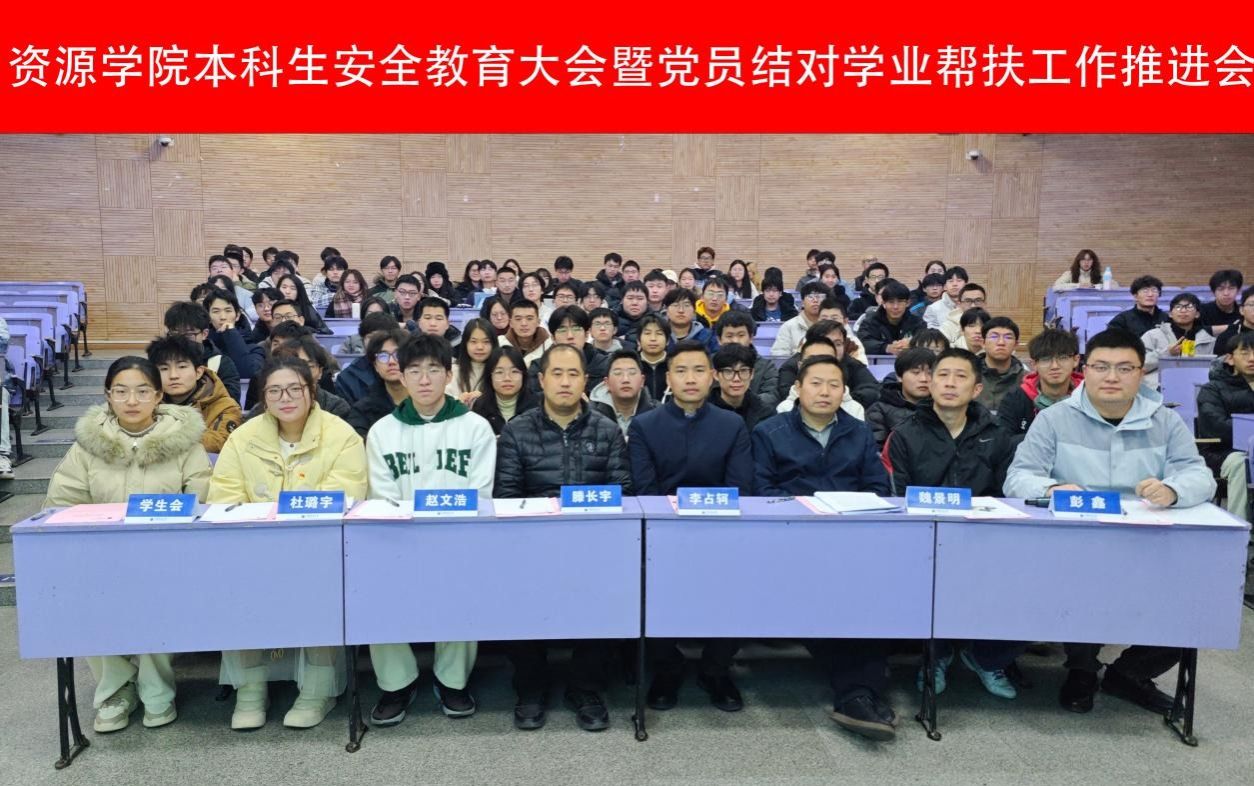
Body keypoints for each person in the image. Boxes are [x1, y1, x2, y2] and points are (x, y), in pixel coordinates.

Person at [1004, 329, 1216, 715]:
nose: (1112, 377)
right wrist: (1052, 488)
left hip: (1147, 541)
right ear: (1085, 369)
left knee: (1199, 592)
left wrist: (1172, 489)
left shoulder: (1165, 421)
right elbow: (1018, 477)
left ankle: (1130, 673)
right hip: (1076, 541)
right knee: (1084, 585)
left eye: (1125, 368)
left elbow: (1199, 475)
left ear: (1141, 372)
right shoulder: (1053, 419)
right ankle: (1082, 668)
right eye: (1101, 367)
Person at [45, 357, 211, 733]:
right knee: (82, 597)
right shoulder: (88, 446)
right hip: (100, 557)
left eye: (142, 391)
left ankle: (156, 688)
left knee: (158, 597)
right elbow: (62, 503)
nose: (131, 401)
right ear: (108, 396)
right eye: (121, 392)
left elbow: (202, 500)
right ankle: (116, 688)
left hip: (168, 556)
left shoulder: (185, 443)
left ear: (158, 396)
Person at [210, 355, 368, 730]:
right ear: (263, 397)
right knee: (237, 591)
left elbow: (347, 494)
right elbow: (224, 496)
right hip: (254, 548)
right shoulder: (243, 438)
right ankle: (250, 689)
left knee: (323, 590)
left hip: (319, 548)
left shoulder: (341, 435)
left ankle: (317, 691)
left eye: (295, 389)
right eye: (275, 391)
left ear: (311, 392)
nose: (286, 398)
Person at [750, 354, 895, 739]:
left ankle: (860, 694)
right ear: (798, 388)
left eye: (834, 384)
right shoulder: (769, 432)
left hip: (849, 543)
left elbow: (878, 487)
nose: (824, 391)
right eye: (816, 383)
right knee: (827, 600)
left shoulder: (858, 431)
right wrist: (812, 507)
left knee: (873, 600)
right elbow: (761, 491)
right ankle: (860, 694)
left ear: (844, 391)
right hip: (790, 544)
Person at [493, 344, 631, 731]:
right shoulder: (517, 430)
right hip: (532, 545)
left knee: (609, 589)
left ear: (585, 381)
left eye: (573, 374)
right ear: (541, 380)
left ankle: (584, 687)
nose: (565, 382)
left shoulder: (607, 430)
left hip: (594, 545)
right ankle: (531, 686)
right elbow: (506, 498)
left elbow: (623, 492)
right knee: (517, 592)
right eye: (557, 374)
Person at [362, 334, 495, 726]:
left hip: (459, 540)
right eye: (415, 371)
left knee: (464, 581)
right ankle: (396, 682)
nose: (424, 380)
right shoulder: (382, 431)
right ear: (401, 376)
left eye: (433, 370)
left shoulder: (475, 428)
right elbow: (382, 496)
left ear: (448, 375)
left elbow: (479, 492)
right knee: (372, 585)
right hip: (398, 540)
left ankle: (452, 681)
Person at [887, 347, 1022, 701]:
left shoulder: (997, 434)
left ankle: (986, 657)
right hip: (922, 541)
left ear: (976, 389)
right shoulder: (904, 434)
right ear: (930, 384)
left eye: (960, 377)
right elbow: (897, 497)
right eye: (942, 375)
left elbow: (1008, 494)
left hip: (985, 538)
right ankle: (937, 655)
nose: (950, 383)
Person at [629, 340, 753, 713]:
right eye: (681, 371)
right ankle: (668, 667)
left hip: (722, 534)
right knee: (646, 585)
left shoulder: (732, 425)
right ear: (668, 378)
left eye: (699, 370)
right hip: (662, 535)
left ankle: (716, 670)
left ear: (712, 376)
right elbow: (645, 491)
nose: (690, 379)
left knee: (738, 584)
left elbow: (740, 489)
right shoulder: (645, 425)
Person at [146, 336, 242, 454]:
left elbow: (219, 443)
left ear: (198, 372)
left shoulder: (225, 406)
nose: (173, 375)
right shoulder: (147, 404)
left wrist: (161, 439)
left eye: (182, 367)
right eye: (164, 368)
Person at [1197, 331, 1254, 518]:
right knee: (1243, 463)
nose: (1252, 358)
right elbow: (1216, 426)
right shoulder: (1212, 389)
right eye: (1245, 353)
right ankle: (1240, 525)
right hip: (1223, 452)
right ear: (1230, 359)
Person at [997, 328, 1082, 444]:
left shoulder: (1089, 398)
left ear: (1076, 360)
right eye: (1046, 359)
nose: (1055, 366)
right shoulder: (1015, 399)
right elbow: (1002, 444)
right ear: (1034, 364)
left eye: (1063, 358)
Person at [245, 337, 351, 422]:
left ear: (320, 372)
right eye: (291, 367)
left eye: (308, 366)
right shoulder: (261, 410)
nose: (299, 373)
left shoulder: (335, 407)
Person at [163, 302, 242, 402]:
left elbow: (230, 403)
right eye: (175, 334)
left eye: (189, 335)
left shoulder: (220, 364)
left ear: (204, 334)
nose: (181, 340)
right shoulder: (159, 362)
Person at [346, 328, 413, 439]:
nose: (391, 361)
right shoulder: (363, 410)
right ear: (375, 366)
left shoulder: (428, 403)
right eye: (383, 356)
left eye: (398, 354)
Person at [1142, 293, 1216, 383]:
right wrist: (1166, 353)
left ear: (1197, 314)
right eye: (1178, 307)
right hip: (1158, 386)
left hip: (1196, 385)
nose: (1183, 311)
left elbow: (1213, 370)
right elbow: (1139, 365)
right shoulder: (1152, 335)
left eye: (1189, 307)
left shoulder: (1207, 340)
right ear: (1170, 314)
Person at [866, 347, 933, 445]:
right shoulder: (879, 410)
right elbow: (876, 448)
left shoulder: (941, 407)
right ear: (899, 376)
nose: (924, 379)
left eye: (930, 373)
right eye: (916, 372)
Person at [715, 310, 780, 409]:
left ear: (751, 338)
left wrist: (740, 403)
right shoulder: (709, 364)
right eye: (729, 336)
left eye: (741, 335)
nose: (735, 341)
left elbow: (771, 396)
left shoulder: (766, 366)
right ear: (719, 339)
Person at [202, 289, 267, 385]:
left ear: (237, 315)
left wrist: (231, 334)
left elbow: (247, 373)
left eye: (228, 311)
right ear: (208, 317)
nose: (223, 317)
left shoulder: (255, 349)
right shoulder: (202, 347)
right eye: (216, 311)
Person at [472, 346, 539, 435]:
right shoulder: (480, 407)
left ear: (523, 375)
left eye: (514, 371)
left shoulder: (537, 405)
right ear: (490, 377)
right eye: (499, 372)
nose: (507, 378)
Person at [709, 343, 774, 432]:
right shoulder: (702, 411)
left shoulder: (765, 413)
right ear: (716, 375)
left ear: (752, 374)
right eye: (728, 371)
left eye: (743, 371)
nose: (736, 379)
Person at [591, 349, 656, 438]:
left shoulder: (658, 413)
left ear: (642, 381)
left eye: (632, 373)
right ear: (606, 383)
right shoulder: (590, 414)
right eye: (618, 373)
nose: (626, 379)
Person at [335, 311, 397, 398]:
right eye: (371, 337)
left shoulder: (406, 369)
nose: (377, 342)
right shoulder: (347, 378)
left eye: (383, 337)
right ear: (362, 340)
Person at [856, 280, 925, 356]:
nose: (896, 307)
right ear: (883, 303)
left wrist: (911, 344)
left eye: (900, 302)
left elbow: (925, 341)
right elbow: (863, 343)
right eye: (891, 302)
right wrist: (886, 348)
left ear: (908, 303)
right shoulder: (870, 322)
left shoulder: (918, 323)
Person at [976, 317, 1026, 411]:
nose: (1001, 342)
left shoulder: (1026, 380)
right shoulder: (968, 374)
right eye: (994, 337)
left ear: (1016, 344)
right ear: (983, 343)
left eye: (1008, 337)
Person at [770, 282, 829, 356]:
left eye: (820, 297)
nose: (815, 300)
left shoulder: (834, 325)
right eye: (810, 296)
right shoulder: (788, 326)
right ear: (803, 302)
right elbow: (779, 355)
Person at [447, 318, 495, 405]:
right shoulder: (453, 371)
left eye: (486, 342)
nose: (480, 347)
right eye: (473, 342)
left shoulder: (498, 372)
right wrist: (458, 402)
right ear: (465, 343)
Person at [499, 299, 552, 365]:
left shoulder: (550, 345)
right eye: (518, 319)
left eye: (529, 318)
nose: (524, 323)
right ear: (511, 323)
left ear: (538, 322)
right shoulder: (499, 344)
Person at [209, 253, 260, 321]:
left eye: (223, 267)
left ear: (232, 271)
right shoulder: (204, 293)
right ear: (210, 273)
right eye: (214, 268)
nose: (219, 270)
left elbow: (254, 319)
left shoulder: (246, 294)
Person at [636, 313, 671, 401]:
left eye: (659, 333)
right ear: (638, 341)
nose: (653, 338)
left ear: (667, 341)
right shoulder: (632, 364)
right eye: (647, 333)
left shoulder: (675, 365)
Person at [1200, 269, 1245, 335]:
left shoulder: (1244, 312)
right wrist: (1234, 327)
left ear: (1238, 290)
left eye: (1231, 288)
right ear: (1213, 292)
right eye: (1220, 289)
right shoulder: (1202, 310)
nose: (1226, 293)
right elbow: (1195, 331)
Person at [615, 282, 652, 347]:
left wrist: (627, 338)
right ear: (622, 300)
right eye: (630, 298)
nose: (635, 303)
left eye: (640, 298)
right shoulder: (611, 320)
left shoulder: (656, 320)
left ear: (648, 301)